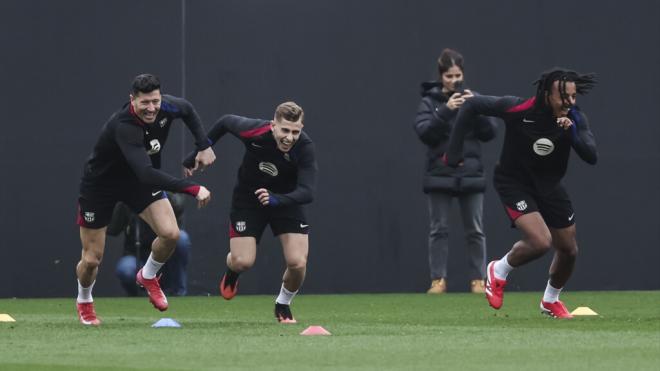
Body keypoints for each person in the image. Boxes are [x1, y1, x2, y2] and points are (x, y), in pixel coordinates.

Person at [446, 68, 597, 318]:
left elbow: (591, 155)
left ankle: (550, 301)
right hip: (514, 182)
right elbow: (471, 105)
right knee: (540, 242)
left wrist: (571, 131)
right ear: (547, 95)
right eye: (564, 97)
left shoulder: (575, 118)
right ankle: (499, 269)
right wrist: (452, 154)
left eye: (573, 96)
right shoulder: (518, 109)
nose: (570, 102)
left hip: (549, 186)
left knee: (569, 250)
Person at [75, 74, 215, 326]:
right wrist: (191, 188)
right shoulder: (125, 125)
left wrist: (203, 145)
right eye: (144, 103)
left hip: (137, 184)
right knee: (92, 259)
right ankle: (84, 300)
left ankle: (148, 275)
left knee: (171, 233)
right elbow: (146, 173)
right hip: (101, 186)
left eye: (155, 101)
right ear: (133, 100)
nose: (151, 108)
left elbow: (188, 110)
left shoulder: (168, 106)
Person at [183, 102, 317, 323]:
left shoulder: (304, 148)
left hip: (286, 202)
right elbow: (225, 121)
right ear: (273, 125)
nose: (289, 137)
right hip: (249, 200)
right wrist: (199, 150)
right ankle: (232, 272)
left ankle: (283, 304)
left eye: (295, 132)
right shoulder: (255, 131)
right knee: (242, 261)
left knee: (298, 262)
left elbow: (307, 192)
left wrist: (277, 199)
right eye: (285, 130)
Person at [413, 48, 496, 294]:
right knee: (438, 229)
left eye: (457, 75)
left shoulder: (473, 97)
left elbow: (490, 132)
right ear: (441, 76)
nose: (453, 80)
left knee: (476, 229)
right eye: (448, 76)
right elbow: (424, 133)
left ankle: (479, 280)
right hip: (440, 173)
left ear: (463, 74)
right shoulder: (429, 102)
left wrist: (474, 108)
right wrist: (447, 109)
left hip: (470, 174)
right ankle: (438, 280)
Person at [108, 192, 191, 297]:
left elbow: (179, 205)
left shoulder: (162, 192)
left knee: (181, 238)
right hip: (138, 257)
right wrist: (121, 201)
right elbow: (112, 229)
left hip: (165, 258)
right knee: (126, 269)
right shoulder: (129, 195)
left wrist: (157, 193)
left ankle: (178, 293)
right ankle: (140, 298)